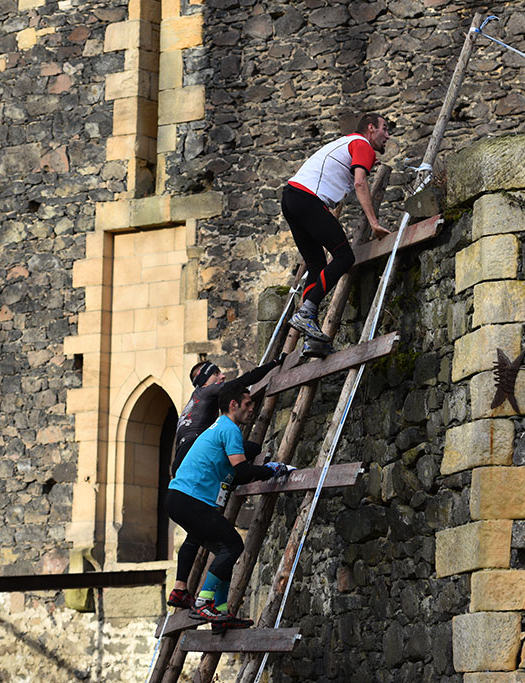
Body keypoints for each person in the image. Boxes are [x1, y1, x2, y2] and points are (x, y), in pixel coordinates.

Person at [165, 382, 294, 630]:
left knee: (225, 551)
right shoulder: (229, 428)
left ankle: (221, 614)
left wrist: (261, 469)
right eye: (247, 404)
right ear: (233, 405)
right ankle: (204, 602)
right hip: (189, 499)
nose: (251, 408)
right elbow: (242, 472)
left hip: (178, 499)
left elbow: (236, 474)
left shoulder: (218, 427)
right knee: (234, 545)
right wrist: (272, 469)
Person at [282, 113, 392, 354]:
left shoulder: (346, 143)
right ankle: (307, 312)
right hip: (307, 199)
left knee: (316, 265)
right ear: (371, 128)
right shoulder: (362, 144)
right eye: (384, 128)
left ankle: (312, 338)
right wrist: (374, 223)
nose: (388, 135)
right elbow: (360, 183)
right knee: (344, 257)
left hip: (291, 197)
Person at [171, 357, 282, 478]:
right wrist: (275, 362)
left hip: (179, 462)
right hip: (193, 452)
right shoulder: (207, 391)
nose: (223, 376)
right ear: (204, 382)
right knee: (252, 449)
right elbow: (244, 380)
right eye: (216, 373)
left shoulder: (195, 400)